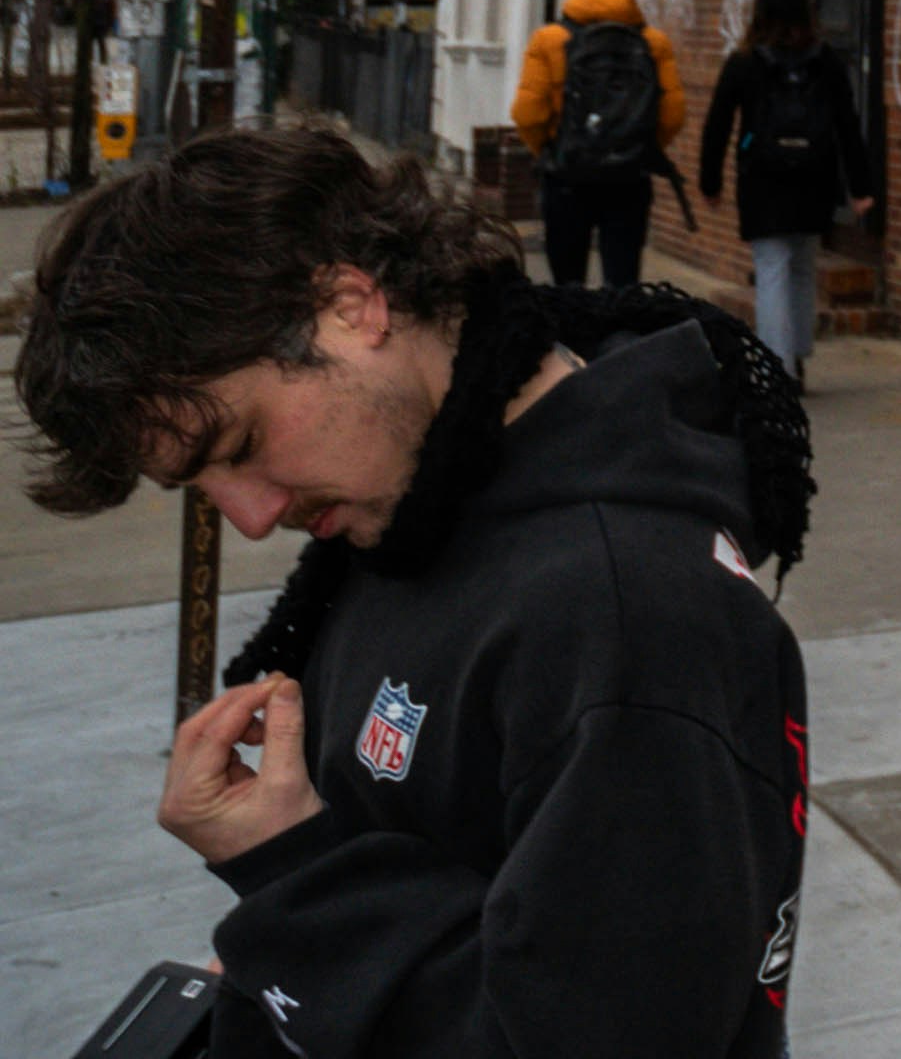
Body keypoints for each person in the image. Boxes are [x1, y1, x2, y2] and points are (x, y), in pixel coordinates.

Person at [13, 122, 814, 1058]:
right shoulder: (420, 499)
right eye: (200, 485)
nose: (251, 517)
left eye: (241, 445)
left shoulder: (621, 615)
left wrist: (291, 876)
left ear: (351, 305)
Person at [697, 0, 873, 375]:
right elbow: (848, 125)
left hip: (763, 178)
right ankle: (799, 349)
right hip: (814, 175)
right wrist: (860, 187)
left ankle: (779, 368)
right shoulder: (825, 61)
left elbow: (717, 124)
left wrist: (711, 181)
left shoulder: (744, 62)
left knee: (771, 269)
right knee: (803, 263)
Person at [511, 0, 686, 288]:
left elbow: (527, 114)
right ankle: (618, 325)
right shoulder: (653, 42)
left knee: (567, 283)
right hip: (629, 176)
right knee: (622, 282)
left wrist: (549, 149)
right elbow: (673, 115)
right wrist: (639, 146)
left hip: (566, 175)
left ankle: (572, 323)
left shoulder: (548, 39)